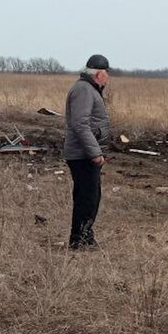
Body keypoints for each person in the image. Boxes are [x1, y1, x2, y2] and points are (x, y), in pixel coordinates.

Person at [63, 54, 111, 250]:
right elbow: (80, 125)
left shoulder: (89, 88)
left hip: (85, 153)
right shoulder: (84, 90)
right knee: (87, 198)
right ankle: (80, 240)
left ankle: (84, 237)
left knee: (90, 197)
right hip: (82, 155)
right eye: (107, 73)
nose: (108, 77)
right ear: (99, 73)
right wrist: (95, 153)